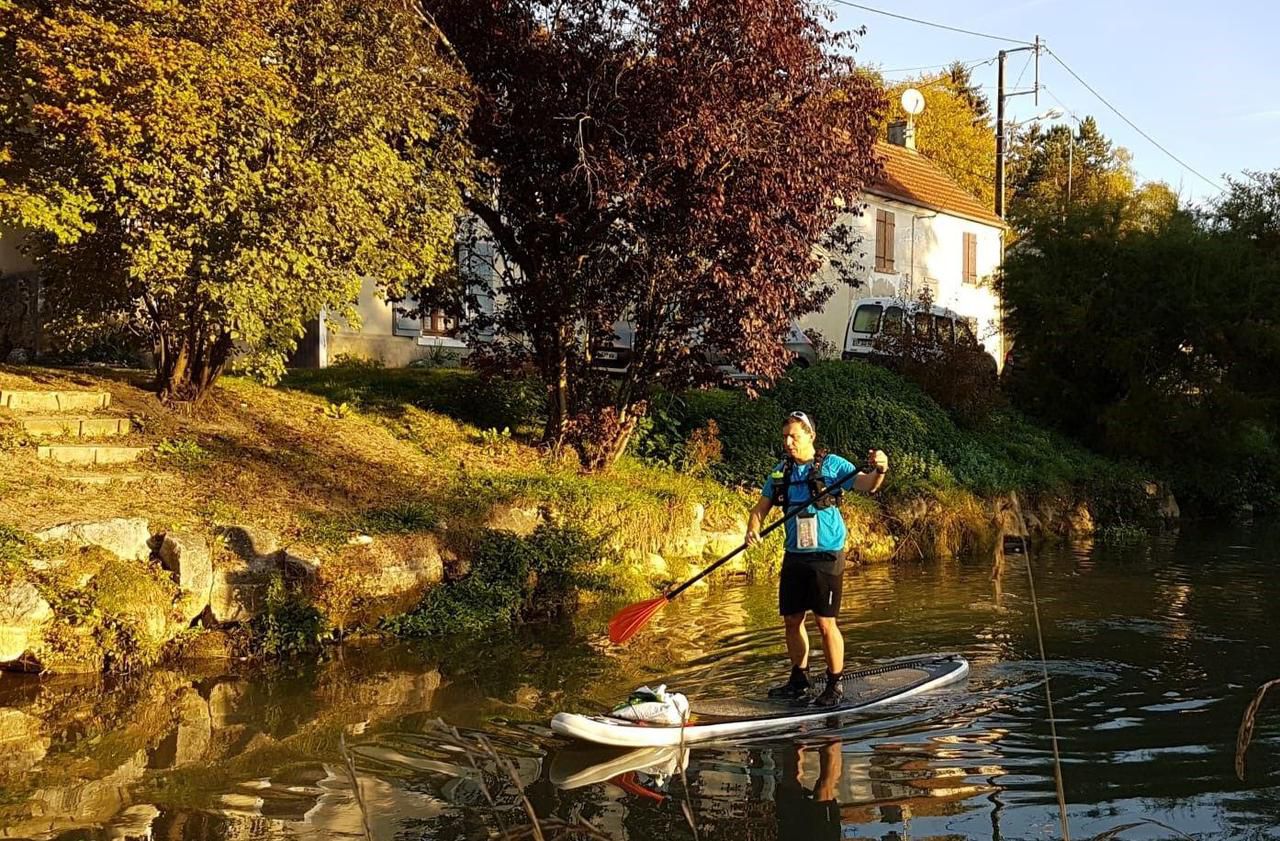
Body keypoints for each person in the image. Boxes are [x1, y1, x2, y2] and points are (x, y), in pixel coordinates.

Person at [746, 410, 888, 707]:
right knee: (792, 620)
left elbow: (866, 484)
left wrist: (880, 470)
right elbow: (759, 509)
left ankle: (834, 683)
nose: (788, 442)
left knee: (825, 622)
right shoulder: (780, 471)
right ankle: (799, 678)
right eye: (785, 436)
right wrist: (753, 530)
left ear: (810, 436)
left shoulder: (833, 465)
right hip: (794, 554)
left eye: (794, 436)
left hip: (826, 554)